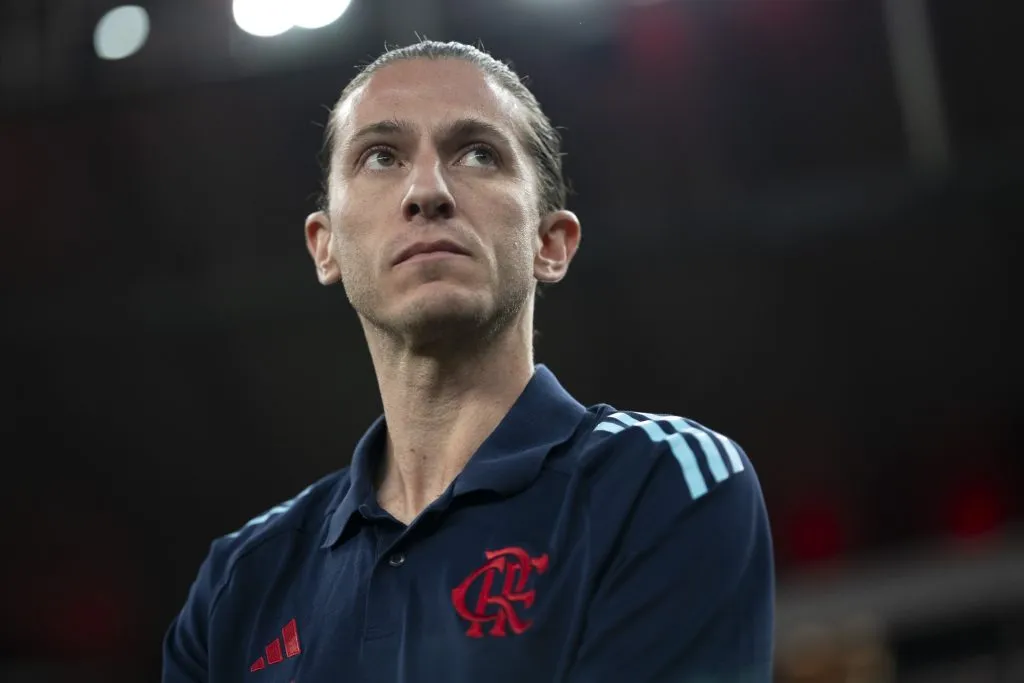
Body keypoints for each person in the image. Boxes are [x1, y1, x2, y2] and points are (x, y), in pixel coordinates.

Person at [163, 40, 774, 683]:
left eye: (478, 153)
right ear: (326, 246)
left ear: (550, 243)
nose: (426, 191)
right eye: (381, 157)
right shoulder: (237, 584)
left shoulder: (660, 479)